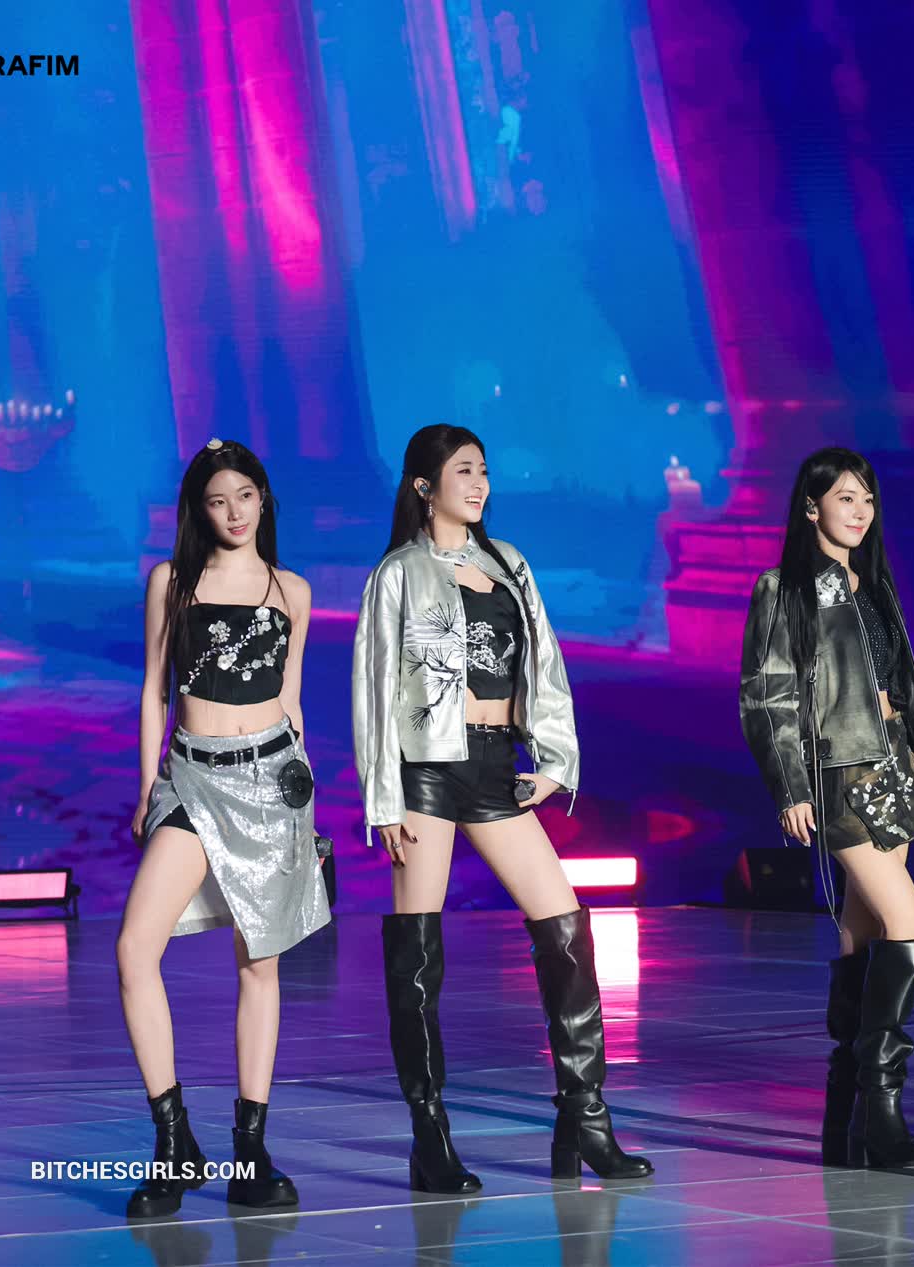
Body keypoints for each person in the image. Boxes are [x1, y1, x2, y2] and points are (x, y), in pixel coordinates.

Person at [354, 424, 651, 1190]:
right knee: (418, 955)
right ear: (424, 485)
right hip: (426, 769)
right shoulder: (399, 572)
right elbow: (373, 689)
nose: (480, 483)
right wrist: (383, 797)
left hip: (495, 766)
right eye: (464, 471)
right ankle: (430, 1136)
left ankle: (584, 1117)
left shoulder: (508, 562)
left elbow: (545, 662)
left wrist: (554, 759)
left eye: (484, 470)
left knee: (566, 926)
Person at [118, 439, 328, 1218]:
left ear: (264, 498)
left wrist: (307, 807)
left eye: (245, 495)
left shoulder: (292, 590)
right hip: (190, 777)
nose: (234, 511)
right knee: (135, 948)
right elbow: (154, 689)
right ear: (198, 510)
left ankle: (249, 1151)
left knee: (258, 965)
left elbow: (291, 700)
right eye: (218, 500)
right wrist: (148, 786)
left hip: (270, 782)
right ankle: (174, 1140)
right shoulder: (171, 582)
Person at [739, 448, 914, 1169]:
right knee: (909, 923)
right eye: (845, 498)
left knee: (863, 936)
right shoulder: (784, 588)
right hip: (841, 773)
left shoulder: (873, 584)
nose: (859, 511)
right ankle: (882, 1112)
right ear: (810, 506)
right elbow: (768, 694)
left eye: (867, 499)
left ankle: (846, 1120)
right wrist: (791, 786)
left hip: (896, 767)